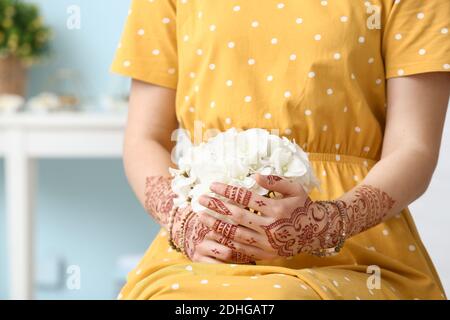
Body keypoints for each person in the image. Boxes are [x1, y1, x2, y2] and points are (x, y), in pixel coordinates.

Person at [110, 0, 450, 299]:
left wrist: (324, 224)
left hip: (357, 247)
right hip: (206, 245)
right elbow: (144, 138)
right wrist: (182, 222)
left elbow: (413, 147)